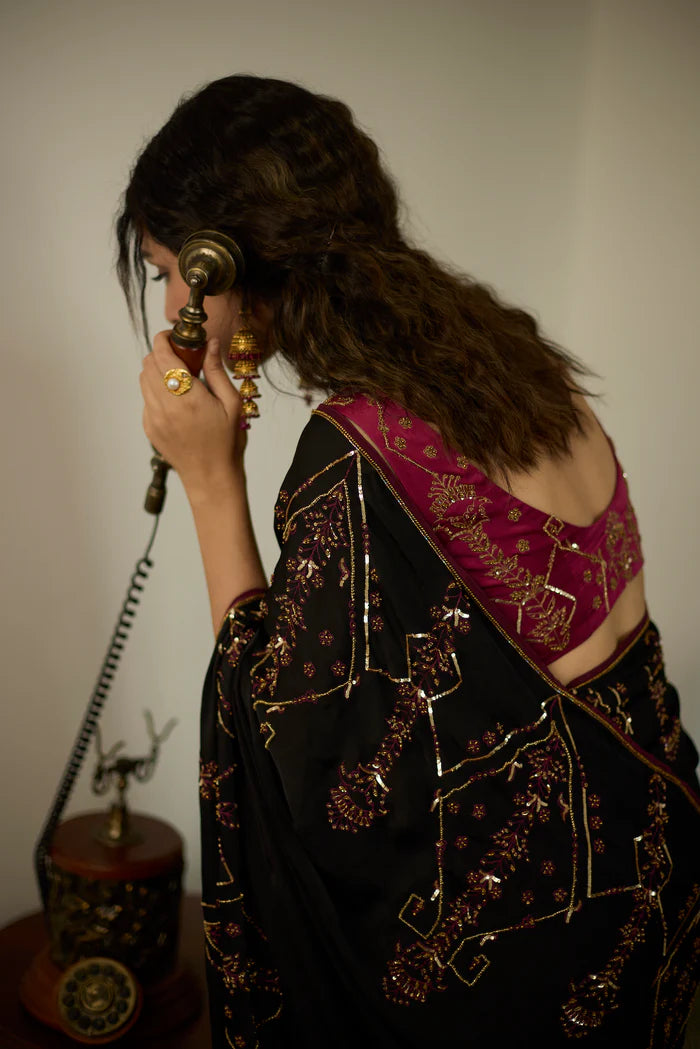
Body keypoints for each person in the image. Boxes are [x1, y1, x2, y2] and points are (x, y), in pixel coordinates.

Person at [120, 75, 700, 1048]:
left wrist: (211, 483)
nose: (172, 302)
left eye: (167, 271)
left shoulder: (356, 461)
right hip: (654, 878)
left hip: (533, 968)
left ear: (223, 264)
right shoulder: (519, 366)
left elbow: (298, 785)